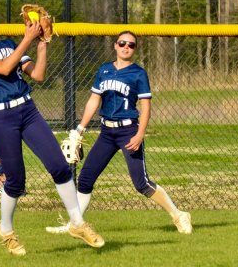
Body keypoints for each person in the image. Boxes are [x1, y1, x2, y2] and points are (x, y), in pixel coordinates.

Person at [0, 0, 104, 256]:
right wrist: (27, 37)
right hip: (0, 118)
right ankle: (6, 230)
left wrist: (42, 44)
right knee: (16, 180)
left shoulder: (7, 43)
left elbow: (37, 75)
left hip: (27, 110)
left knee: (60, 167)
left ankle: (78, 223)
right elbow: (5, 68)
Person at [45, 31, 192, 235]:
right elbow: (94, 101)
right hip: (107, 132)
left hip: (129, 131)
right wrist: (80, 129)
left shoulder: (138, 74)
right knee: (86, 178)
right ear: (115, 45)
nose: (126, 47)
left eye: (131, 45)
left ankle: (179, 215)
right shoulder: (104, 70)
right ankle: (75, 225)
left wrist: (140, 134)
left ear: (134, 49)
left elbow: (146, 107)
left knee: (142, 184)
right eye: (122, 43)